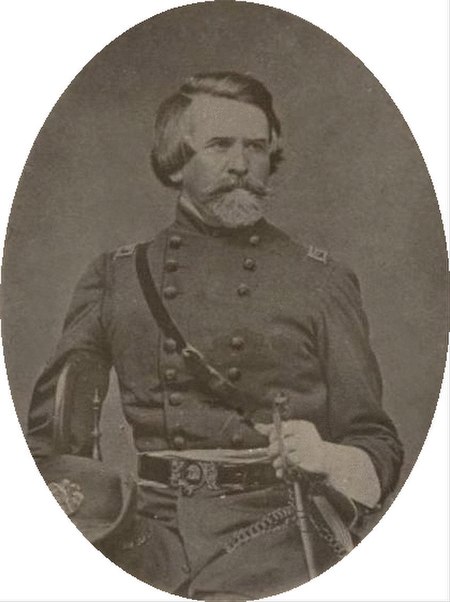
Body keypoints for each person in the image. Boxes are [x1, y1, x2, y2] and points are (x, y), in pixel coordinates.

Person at [27, 72, 403, 601]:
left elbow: (375, 440)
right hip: (143, 536)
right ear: (177, 160)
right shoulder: (115, 277)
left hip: (276, 538)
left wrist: (327, 456)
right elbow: (57, 435)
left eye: (256, 146)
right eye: (220, 145)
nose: (241, 164)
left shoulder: (320, 280)